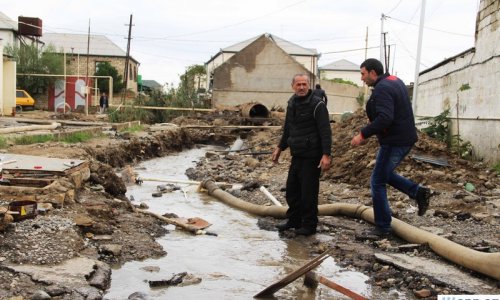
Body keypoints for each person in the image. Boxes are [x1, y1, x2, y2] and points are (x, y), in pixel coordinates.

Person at [350, 58, 431, 237]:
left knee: (377, 181)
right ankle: (418, 192)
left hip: (395, 141)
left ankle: (383, 227)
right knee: (385, 175)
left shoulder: (383, 88)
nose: (362, 78)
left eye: (363, 74)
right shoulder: (394, 80)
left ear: (373, 72)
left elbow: (386, 117)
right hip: (404, 138)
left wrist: (362, 134)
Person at [272, 74, 332, 236]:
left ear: (308, 85)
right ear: (293, 86)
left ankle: (309, 225)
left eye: (304, 84)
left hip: (312, 155)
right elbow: (288, 128)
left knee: (308, 192)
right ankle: (294, 220)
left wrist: (326, 154)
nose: (301, 87)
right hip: (297, 154)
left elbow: (326, 132)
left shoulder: (317, 105)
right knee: (292, 190)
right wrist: (280, 147)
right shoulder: (292, 103)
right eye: (298, 84)